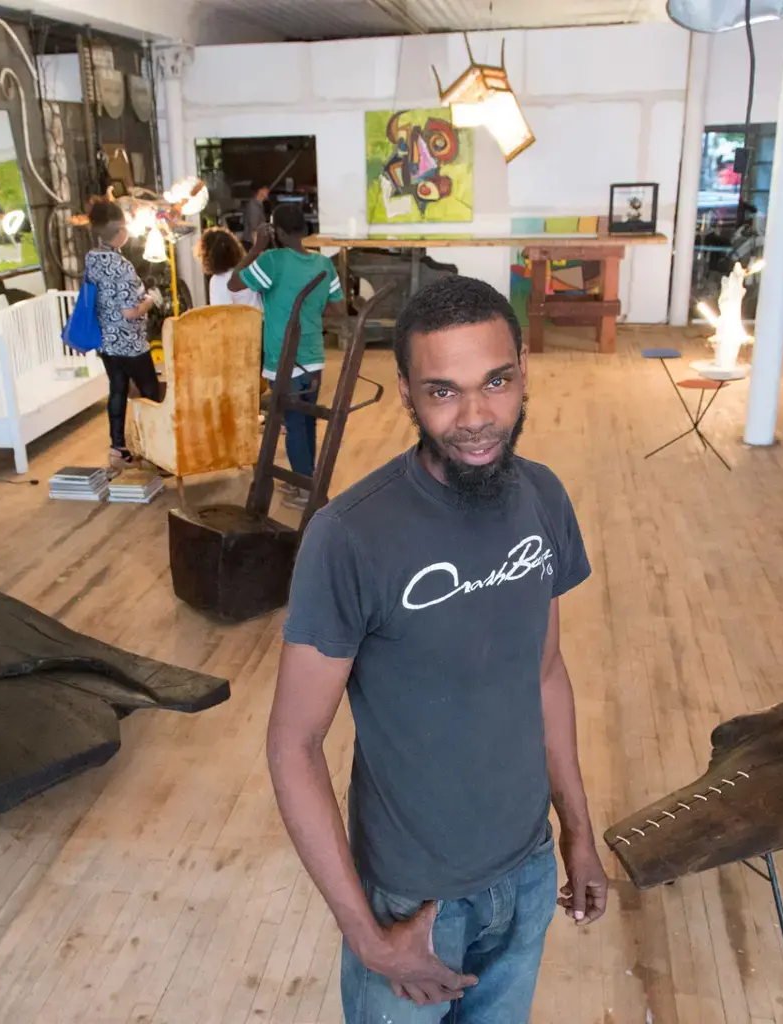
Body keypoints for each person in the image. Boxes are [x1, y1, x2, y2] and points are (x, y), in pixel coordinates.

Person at [267, 276, 606, 1023]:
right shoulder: (351, 535)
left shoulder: (544, 499)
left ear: (523, 371)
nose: (478, 417)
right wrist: (369, 939)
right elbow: (294, 744)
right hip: (411, 904)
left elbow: (545, 673)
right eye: (443, 392)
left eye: (496, 381)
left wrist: (578, 831)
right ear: (407, 396)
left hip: (525, 874)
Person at [229, 203, 343, 510]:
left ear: (275, 231)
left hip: (283, 356)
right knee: (306, 420)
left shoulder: (271, 260)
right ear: (304, 230)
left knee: (293, 423)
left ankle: (304, 489)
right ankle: (309, 481)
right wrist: (309, 311)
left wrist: (256, 247)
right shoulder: (323, 263)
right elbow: (337, 308)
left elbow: (234, 283)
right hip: (314, 354)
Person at [84, 200, 161, 465]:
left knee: (117, 390)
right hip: (131, 343)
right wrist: (150, 300)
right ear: (120, 232)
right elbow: (129, 312)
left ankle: (118, 448)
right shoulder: (122, 266)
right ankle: (155, 449)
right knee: (150, 392)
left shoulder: (92, 258)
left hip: (107, 341)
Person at [199, 226, 262, 310]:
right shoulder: (248, 270)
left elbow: (222, 315)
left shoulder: (218, 281)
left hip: (241, 321)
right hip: (261, 319)